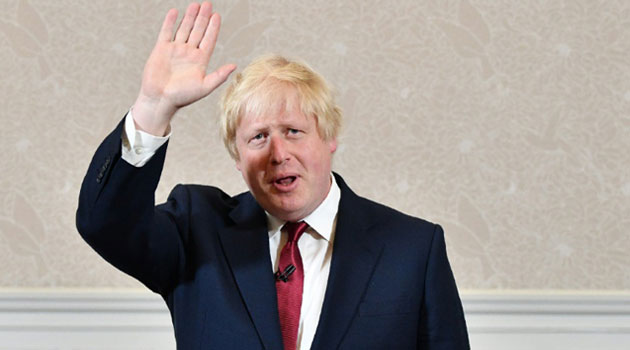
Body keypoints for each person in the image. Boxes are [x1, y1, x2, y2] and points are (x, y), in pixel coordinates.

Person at [76, 2, 470, 349]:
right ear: (237, 156)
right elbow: (104, 224)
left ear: (329, 136)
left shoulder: (413, 248)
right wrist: (154, 106)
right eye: (258, 137)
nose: (278, 154)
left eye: (293, 131)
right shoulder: (196, 228)